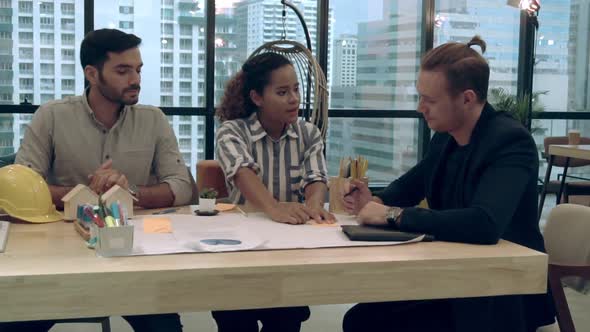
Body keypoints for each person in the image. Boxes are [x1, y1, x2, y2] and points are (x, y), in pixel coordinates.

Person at [341, 36, 555, 332]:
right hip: (456, 275)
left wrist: (394, 215)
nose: (420, 108)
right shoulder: (446, 136)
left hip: (501, 290)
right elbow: (410, 185)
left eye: (429, 100)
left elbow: (485, 223)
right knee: (362, 319)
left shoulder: (510, 141)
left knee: (369, 323)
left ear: (467, 98)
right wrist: (374, 200)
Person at [4, 29, 191, 332]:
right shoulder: (52, 116)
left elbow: (182, 187)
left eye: (138, 70)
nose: (135, 79)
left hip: (132, 254)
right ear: (92, 73)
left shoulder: (152, 119)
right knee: (14, 321)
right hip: (59, 256)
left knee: (164, 327)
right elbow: (24, 188)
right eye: (123, 70)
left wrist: (126, 191)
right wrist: (85, 195)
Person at [212, 52, 334, 331]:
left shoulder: (308, 133)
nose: (294, 99)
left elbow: (316, 177)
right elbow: (243, 173)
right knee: (235, 321)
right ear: (257, 97)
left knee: (285, 321)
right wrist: (274, 207)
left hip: (288, 255)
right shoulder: (232, 131)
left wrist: (315, 204)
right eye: (282, 92)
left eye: (295, 89)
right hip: (240, 255)